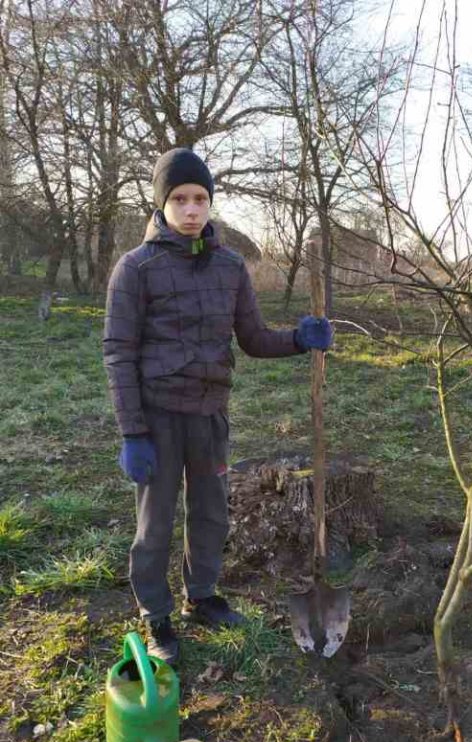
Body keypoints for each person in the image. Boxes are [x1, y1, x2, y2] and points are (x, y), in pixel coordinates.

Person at [103, 148, 332, 665]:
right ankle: (156, 614)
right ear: (161, 204)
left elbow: (251, 338)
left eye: (200, 199)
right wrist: (132, 432)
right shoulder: (136, 268)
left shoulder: (230, 267)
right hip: (158, 416)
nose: (190, 209)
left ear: (210, 204)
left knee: (210, 513)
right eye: (179, 199)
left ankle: (201, 597)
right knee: (155, 522)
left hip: (211, 413)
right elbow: (119, 351)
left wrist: (299, 338)